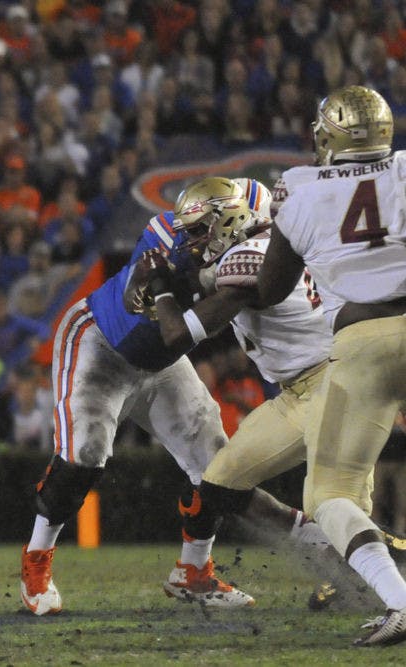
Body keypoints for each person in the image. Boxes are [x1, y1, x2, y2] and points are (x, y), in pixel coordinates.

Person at [20, 176, 258, 616]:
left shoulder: (251, 220)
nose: (189, 238)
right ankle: (36, 562)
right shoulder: (163, 239)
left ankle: (194, 572)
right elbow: (136, 298)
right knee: (84, 457)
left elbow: (263, 201)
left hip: (162, 361)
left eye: (200, 229)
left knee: (215, 462)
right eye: (187, 228)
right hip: (101, 342)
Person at [130, 177, 373, 606]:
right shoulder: (257, 248)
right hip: (298, 392)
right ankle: (192, 573)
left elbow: (177, 335)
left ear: (228, 218)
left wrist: (163, 288)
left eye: (199, 229)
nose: (191, 241)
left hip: (333, 385)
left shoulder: (246, 259)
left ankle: (380, 583)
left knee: (342, 503)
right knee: (218, 486)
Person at [257, 85, 406, 646]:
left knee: (329, 493)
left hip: (363, 343)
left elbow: (271, 290)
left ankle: (400, 602)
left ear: (327, 136)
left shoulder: (296, 188)